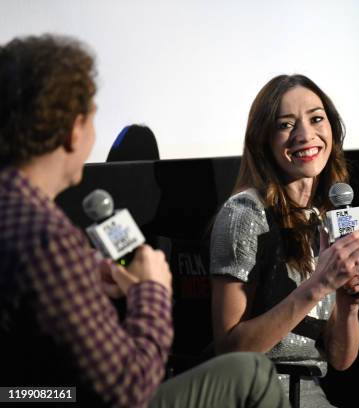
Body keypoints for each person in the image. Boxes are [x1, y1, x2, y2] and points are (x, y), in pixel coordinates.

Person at [0, 34, 289, 408]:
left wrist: (83, 281)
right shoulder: (45, 235)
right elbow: (129, 388)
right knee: (252, 375)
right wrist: (149, 289)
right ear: (74, 131)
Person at [210, 74, 359, 408]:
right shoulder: (244, 214)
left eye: (316, 119)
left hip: (309, 391)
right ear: (265, 141)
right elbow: (229, 351)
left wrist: (349, 302)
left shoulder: (328, 218)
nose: (305, 135)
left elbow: (341, 360)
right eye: (286, 125)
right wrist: (318, 285)